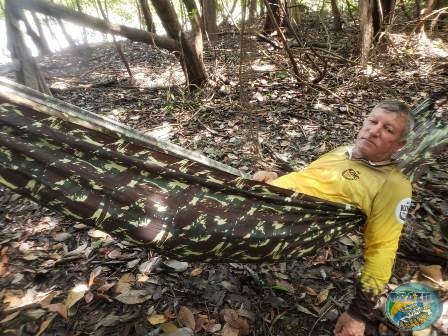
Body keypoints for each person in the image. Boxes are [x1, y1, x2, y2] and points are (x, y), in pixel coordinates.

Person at [253, 100, 413, 336]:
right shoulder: (341, 152)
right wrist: (276, 177)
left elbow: (383, 249)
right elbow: (309, 181)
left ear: (399, 145)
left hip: (269, 224)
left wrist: (358, 314)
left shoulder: (393, 185)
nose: (374, 130)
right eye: (372, 121)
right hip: (254, 198)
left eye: (387, 129)